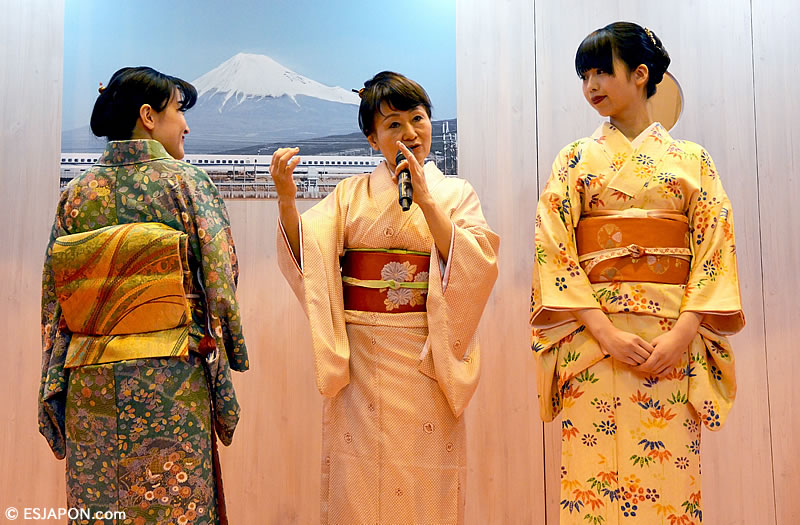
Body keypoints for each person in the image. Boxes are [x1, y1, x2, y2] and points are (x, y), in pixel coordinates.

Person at [530, 23, 744, 524]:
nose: (591, 86)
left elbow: (715, 246)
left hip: (671, 341)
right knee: (593, 484)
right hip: (593, 341)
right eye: (584, 76)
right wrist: (604, 332)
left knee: (669, 483)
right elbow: (553, 246)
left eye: (602, 72)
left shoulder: (692, 160)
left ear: (641, 74)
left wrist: (683, 334)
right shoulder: (574, 160)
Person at [271, 71, 499, 524]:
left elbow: (476, 265)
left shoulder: (456, 193)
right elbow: (310, 254)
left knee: (424, 481)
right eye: (393, 124)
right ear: (373, 140)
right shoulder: (350, 193)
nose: (410, 132)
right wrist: (285, 201)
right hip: (362, 358)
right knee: (358, 480)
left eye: (418, 119)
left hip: (427, 356)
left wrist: (428, 200)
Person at [40, 66, 248, 525]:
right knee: (172, 502)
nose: (186, 126)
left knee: (101, 505)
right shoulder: (187, 183)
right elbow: (222, 279)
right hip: (169, 379)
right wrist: (229, 349)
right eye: (179, 111)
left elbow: (56, 301)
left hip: (90, 382)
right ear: (148, 116)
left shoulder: (76, 195)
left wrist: (53, 380)